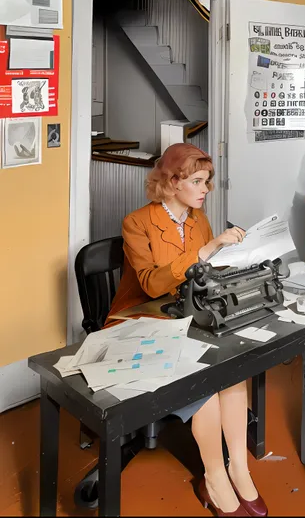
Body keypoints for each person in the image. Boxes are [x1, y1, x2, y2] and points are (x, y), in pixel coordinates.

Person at [106, 143, 266, 517]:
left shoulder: (199, 220)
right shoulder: (137, 222)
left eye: (206, 181)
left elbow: (208, 275)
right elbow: (150, 284)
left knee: (234, 375)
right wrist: (206, 251)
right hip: (143, 319)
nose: (206, 189)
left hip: (189, 314)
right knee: (208, 388)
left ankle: (238, 467)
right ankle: (214, 478)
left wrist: (239, 262)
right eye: (197, 181)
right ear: (172, 182)